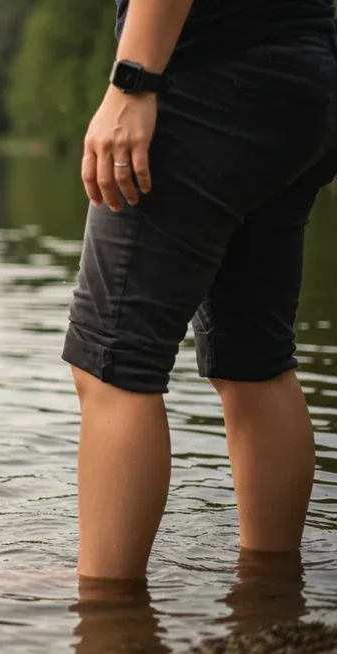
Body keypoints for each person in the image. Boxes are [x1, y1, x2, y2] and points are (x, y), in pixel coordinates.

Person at [65, 0, 337, 581]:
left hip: (208, 85)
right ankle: (271, 596)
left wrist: (132, 82)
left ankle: (110, 620)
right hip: (305, 76)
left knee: (112, 366)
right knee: (255, 363)